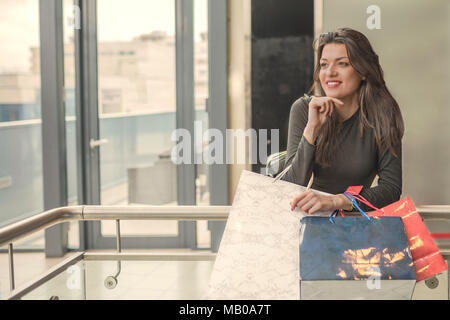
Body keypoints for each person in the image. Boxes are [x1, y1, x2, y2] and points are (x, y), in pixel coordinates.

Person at [283, 28, 404, 214]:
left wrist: (337, 201)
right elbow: (288, 187)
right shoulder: (303, 109)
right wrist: (312, 129)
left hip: (354, 228)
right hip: (303, 223)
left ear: (363, 71)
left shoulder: (382, 115)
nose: (330, 72)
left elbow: (391, 189)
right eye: (324, 65)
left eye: (342, 64)